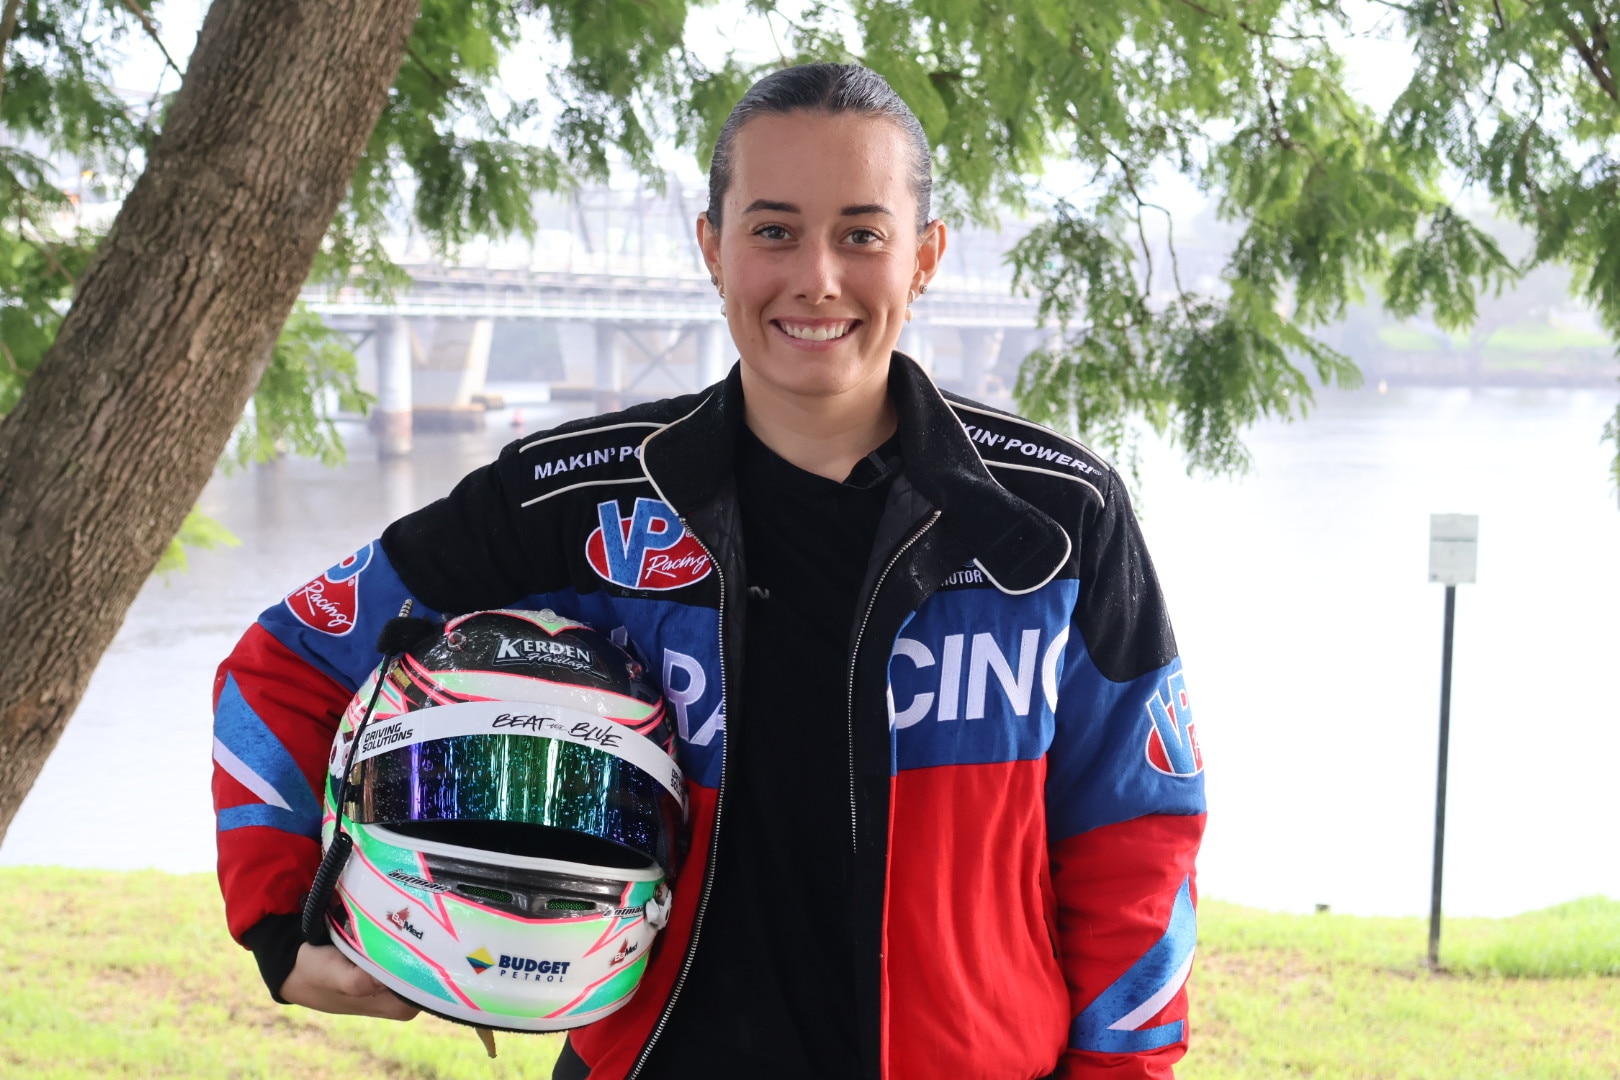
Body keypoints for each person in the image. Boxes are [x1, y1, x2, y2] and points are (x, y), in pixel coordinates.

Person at [211, 63, 1205, 1080]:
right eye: (773, 230)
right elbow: (286, 664)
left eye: (862, 234)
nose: (817, 276)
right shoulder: (575, 501)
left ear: (924, 258)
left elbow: (1138, 832)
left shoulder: (1054, 519)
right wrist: (282, 923)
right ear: (712, 249)